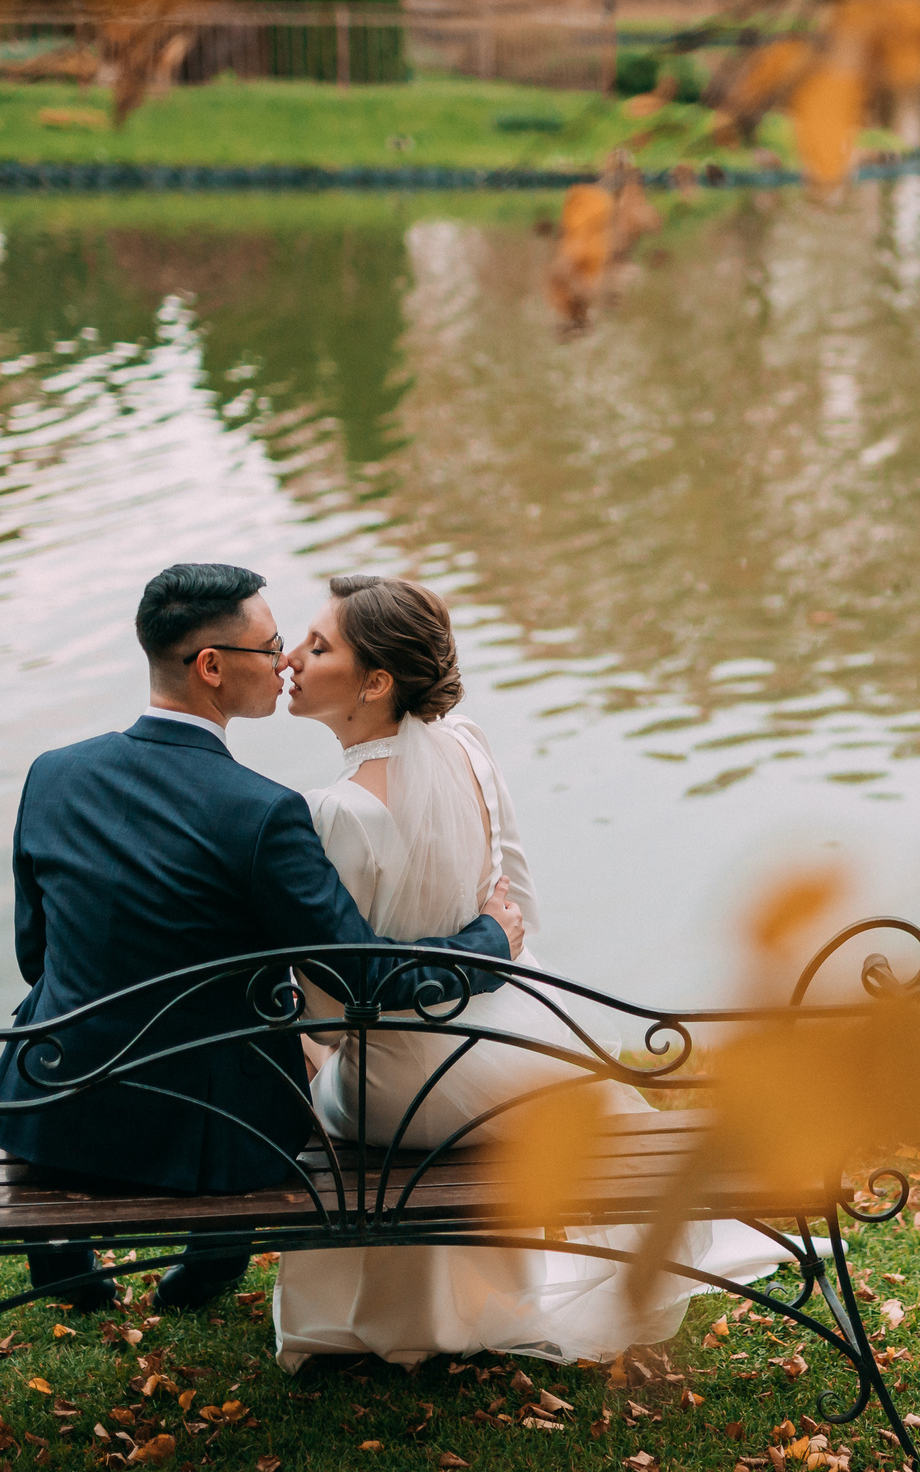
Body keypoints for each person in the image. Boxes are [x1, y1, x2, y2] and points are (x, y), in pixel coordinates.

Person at [270, 574, 789, 1368]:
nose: (292, 662)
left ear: (375, 682)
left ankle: (397, 1316)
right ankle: (464, 1305)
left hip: (402, 1094)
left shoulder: (337, 810)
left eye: (317, 646)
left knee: (326, 1076)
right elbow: (519, 911)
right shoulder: (470, 749)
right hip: (521, 1048)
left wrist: (321, 1048)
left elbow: (338, 994)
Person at [0, 563, 522, 1314]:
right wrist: (491, 940)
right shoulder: (264, 813)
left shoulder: (53, 774)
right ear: (211, 667)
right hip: (214, 1135)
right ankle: (205, 1269)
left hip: (53, 1101)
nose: (286, 661)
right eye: (270, 648)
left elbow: (34, 956)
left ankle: (69, 1262)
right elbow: (366, 983)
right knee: (261, 1050)